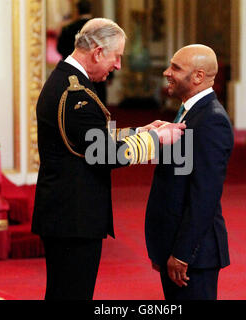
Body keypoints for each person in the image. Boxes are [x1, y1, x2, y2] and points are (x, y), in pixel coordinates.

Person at [32, 18, 186, 300]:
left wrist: (140, 130)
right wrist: (156, 140)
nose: (118, 66)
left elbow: (91, 138)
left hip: (65, 213)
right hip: (73, 217)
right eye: (116, 57)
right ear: (98, 52)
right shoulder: (75, 94)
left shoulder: (70, 82)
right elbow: (104, 154)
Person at [145, 45, 234, 300]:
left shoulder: (211, 120)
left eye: (175, 68)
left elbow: (204, 194)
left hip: (194, 256)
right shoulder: (189, 111)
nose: (166, 72)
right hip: (175, 247)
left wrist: (182, 253)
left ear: (197, 76)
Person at [57, 0, 109, 105]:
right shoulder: (99, 30)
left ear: (77, 11)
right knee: (99, 106)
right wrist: (110, 74)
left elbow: (60, 48)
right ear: (90, 9)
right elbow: (106, 52)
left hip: (72, 76)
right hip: (96, 75)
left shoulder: (68, 29)